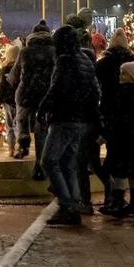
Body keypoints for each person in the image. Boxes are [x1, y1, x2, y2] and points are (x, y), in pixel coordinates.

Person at [38, 25, 101, 226]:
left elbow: (57, 89)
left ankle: (67, 206)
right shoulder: (86, 60)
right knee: (67, 162)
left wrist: (42, 108)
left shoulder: (65, 61)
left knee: (49, 160)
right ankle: (73, 204)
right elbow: (94, 91)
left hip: (64, 117)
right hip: (80, 119)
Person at [95, 29, 134, 214]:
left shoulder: (103, 64)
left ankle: (114, 198)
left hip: (111, 114)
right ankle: (133, 200)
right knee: (130, 163)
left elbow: (97, 88)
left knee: (113, 159)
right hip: (130, 126)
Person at [101, 60, 134, 218]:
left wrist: (108, 133)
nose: (120, 76)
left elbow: (117, 117)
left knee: (119, 172)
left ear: (130, 76)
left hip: (122, 139)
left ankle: (118, 202)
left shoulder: (123, 93)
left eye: (123, 73)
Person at [9, 22, 54, 164]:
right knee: (42, 129)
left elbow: (14, 75)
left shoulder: (25, 52)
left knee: (21, 116)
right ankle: (39, 163)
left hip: (26, 92)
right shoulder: (54, 51)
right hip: (46, 94)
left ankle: (23, 137)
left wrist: (14, 82)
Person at [0, 42, 20, 157]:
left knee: (9, 125)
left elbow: (2, 86)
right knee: (18, 124)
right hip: (18, 100)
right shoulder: (21, 68)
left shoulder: (5, 69)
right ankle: (20, 147)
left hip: (7, 100)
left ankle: (11, 148)